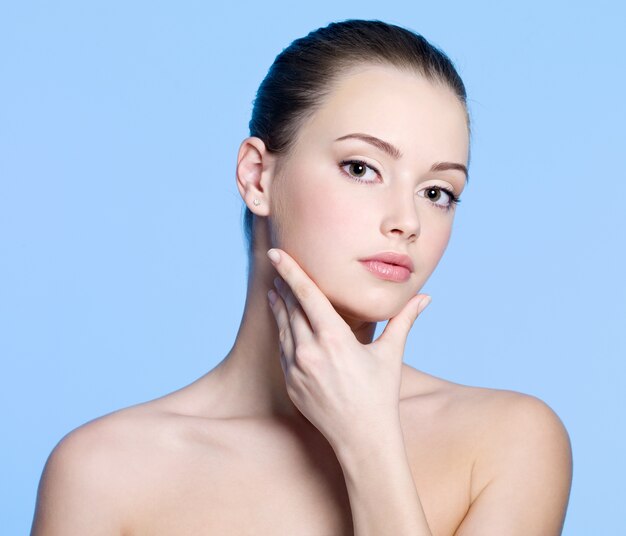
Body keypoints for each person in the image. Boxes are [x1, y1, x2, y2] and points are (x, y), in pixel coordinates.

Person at [31, 19, 572, 535]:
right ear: (257, 176)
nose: (406, 222)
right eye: (361, 168)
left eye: (437, 192)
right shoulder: (104, 474)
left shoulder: (509, 441)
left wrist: (370, 443)